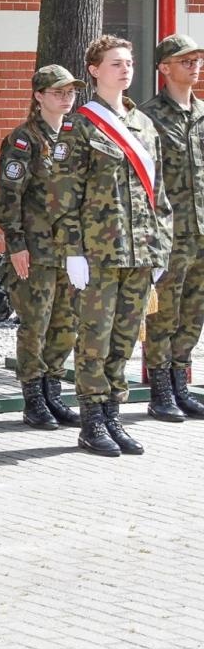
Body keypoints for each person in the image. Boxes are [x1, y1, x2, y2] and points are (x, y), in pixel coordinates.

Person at [58, 35, 173, 456]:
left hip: (139, 251)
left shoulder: (143, 124)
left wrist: (160, 248)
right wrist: (73, 251)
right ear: (93, 70)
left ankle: (113, 415)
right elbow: (64, 195)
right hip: (98, 253)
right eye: (115, 63)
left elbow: (158, 193)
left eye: (128, 63)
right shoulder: (81, 125)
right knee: (95, 338)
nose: (125, 70)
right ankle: (91, 421)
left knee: (125, 337)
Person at [0, 65, 84, 429]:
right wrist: (16, 244)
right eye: (58, 91)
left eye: (71, 91)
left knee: (66, 322)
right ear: (39, 96)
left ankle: (53, 391)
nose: (66, 97)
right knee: (36, 323)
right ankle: (33, 397)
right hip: (36, 249)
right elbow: (7, 197)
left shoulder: (76, 136)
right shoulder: (24, 140)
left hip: (70, 251)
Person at [142, 34, 204, 421]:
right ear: (164, 67)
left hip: (201, 230)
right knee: (163, 313)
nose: (194, 66)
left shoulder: (202, 114)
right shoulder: (148, 116)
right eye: (185, 61)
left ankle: (182, 385)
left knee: (194, 311)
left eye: (197, 60)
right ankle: (160, 391)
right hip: (169, 232)